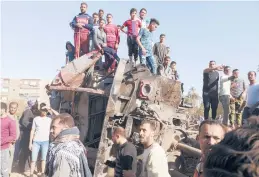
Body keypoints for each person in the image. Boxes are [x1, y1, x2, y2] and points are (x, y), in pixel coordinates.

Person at [17, 100, 40, 174]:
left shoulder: (34, 112)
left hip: (30, 134)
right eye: (35, 105)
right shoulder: (28, 111)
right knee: (24, 151)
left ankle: (27, 167)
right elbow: (24, 122)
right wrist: (34, 126)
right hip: (25, 134)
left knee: (29, 151)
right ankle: (22, 168)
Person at [29, 105, 52, 177]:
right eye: (43, 110)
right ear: (40, 110)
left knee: (43, 158)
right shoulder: (36, 119)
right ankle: (31, 174)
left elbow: (58, 115)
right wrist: (30, 143)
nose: (44, 112)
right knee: (33, 159)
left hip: (45, 141)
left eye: (45, 110)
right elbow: (32, 130)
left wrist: (50, 108)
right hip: (36, 141)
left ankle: (42, 173)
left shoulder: (49, 119)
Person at [1, 102, 16, 177]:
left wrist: (2, 141)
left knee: (4, 168)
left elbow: (14, 135)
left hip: (5, 147)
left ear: (3, 109)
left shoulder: (11, 120)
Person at [7, 102, 19, 172]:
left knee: (10, 159)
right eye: (11, 107)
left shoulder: (15, 117)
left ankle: (8, 173)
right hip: (5, 142)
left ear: (16, 109)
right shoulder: (5, 116)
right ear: (9, 107)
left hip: (13, 143)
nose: (12, 109)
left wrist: (15, 139)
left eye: (14, 108)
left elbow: (17, 130)